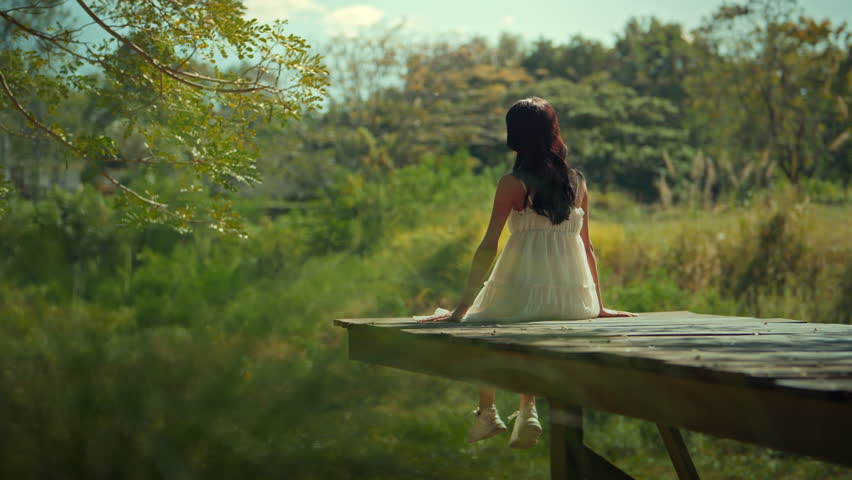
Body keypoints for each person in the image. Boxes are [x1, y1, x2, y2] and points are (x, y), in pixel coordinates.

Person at [417, 96, 636, 449]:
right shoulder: (577, 182)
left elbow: (489, 245)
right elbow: (587, 246)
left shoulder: (512, 184)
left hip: (522, 287)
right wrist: (598, 305)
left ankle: (487, 412)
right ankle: (527, 410)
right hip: (572, 301)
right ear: (554, 132)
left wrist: (461, 309)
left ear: (514, 136)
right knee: (529, 324)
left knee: (482, 321)